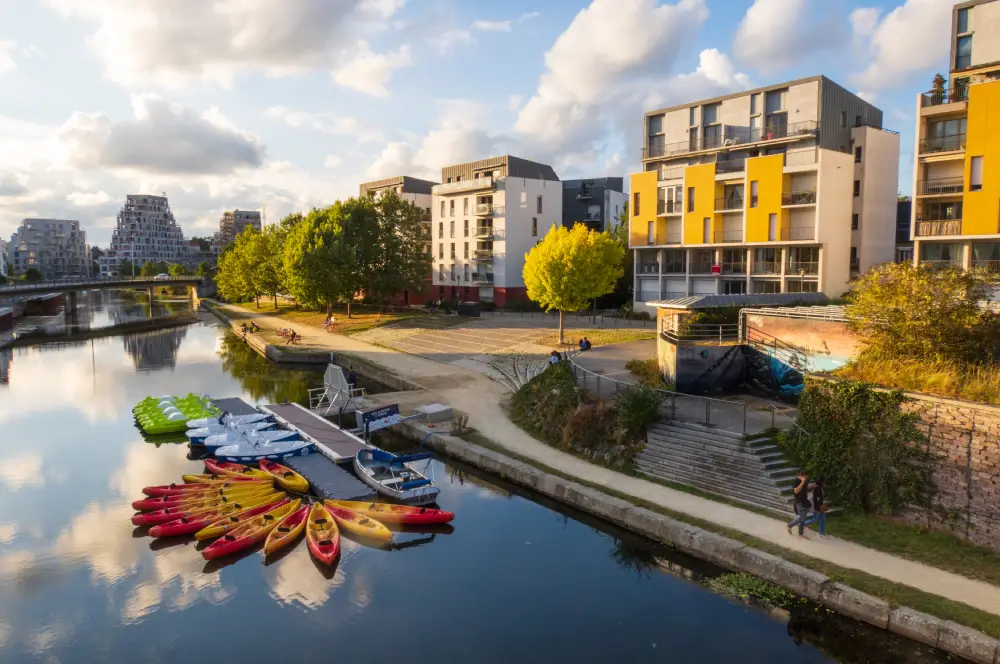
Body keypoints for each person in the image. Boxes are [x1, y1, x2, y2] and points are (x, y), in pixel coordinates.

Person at [787, 471, 812, 537]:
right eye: (806, 476)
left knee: (804, 518)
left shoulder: (805, 481)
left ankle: (801, 533)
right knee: (802, 517)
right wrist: (802, 482)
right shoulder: (796, 481)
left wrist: (812, 485)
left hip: (805, 501)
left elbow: (806, 489)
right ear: (802, 475)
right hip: (799, 501)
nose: (807, 478)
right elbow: (796, 491)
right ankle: (790, 525)